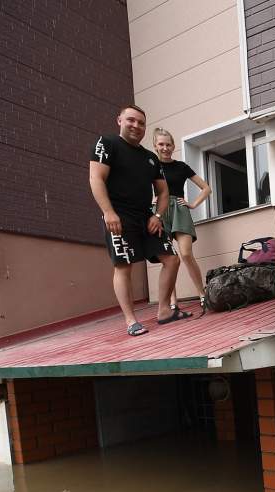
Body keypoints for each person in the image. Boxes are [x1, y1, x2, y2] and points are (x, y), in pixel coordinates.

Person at [88, 104, 184, 336]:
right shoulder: (107, 144)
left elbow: (163, 192)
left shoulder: (151, 158)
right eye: (131, 120)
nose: (136, 126)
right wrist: (108, 212)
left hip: (146, 216)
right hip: (118, 216)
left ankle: (163, 311)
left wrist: (157, 215)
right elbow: (96, 178)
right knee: (123, 266)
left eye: (141, 122)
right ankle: (131, 321)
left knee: (172, 259)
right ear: (119, 120)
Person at [151, 128, 212, 314]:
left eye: (168, 144)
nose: (165, 147)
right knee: (169, 258)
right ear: (155, 146)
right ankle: (172, 302)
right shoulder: (151, 166)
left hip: (179, 209)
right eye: (161, 144)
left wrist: (192, 204)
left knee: (185, 254)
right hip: (160, 212)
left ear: (174, 146)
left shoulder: (182, 166)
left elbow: (206, 188)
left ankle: (202, 294)